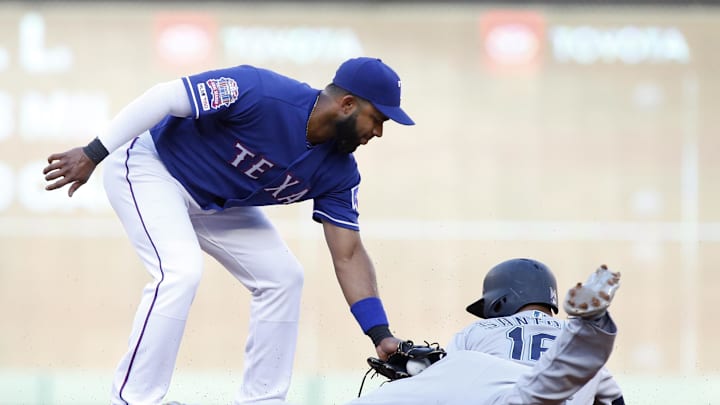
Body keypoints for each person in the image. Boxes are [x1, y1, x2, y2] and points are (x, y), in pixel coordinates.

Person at [42, 57, 414, 405]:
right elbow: (164, 96)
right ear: (347, 104)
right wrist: (93, 152)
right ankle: (136, 399)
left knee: (284, 278)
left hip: (214, 204)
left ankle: (263, 399)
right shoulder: (261, 91)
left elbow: (347, 254)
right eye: (378, 118)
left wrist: (379, 334)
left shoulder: (339, 172)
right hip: (152, 167)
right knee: (180, 272)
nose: (378, 132)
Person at [347, 259, 625, 405]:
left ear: (500, 300)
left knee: (455, 367)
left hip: (503, 398)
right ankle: (593, 325)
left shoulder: (480, 330)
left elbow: (449, 386)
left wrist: (422, 371)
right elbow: (615, 400)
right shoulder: (571, 339)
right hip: (558, 388)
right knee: (569, 376)